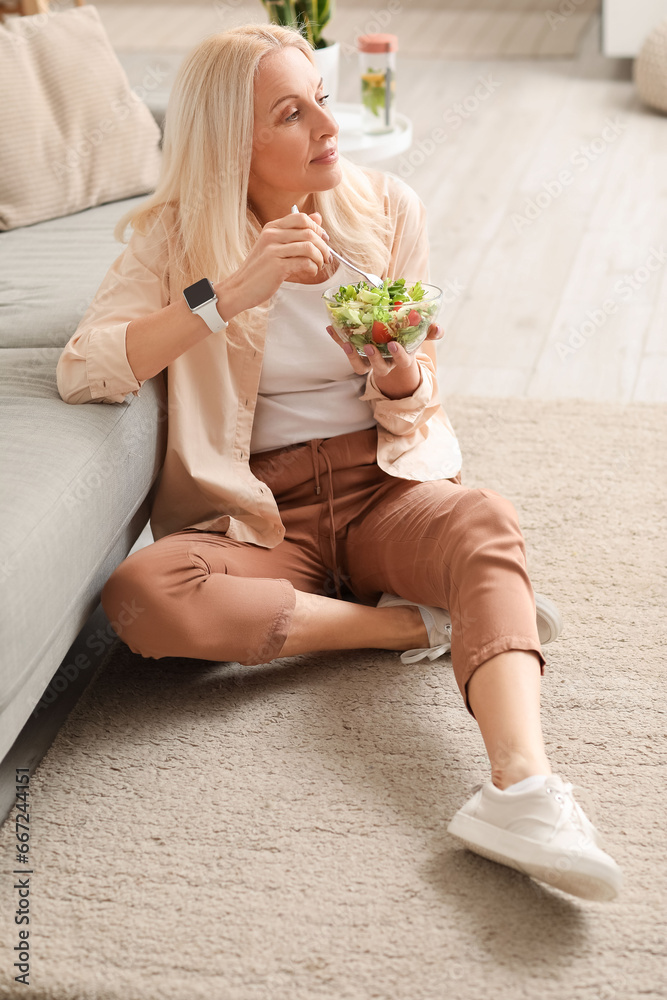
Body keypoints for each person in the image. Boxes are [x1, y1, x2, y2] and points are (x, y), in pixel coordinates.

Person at [56, 23, 622, 902]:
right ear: (228, 140)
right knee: (143, 597)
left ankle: (522, 791)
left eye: (320, 99)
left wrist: (396, 370)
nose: (327, 124)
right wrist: (230, 292)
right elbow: (86, 365)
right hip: (258, 514)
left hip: (380, 486)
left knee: (485, 518)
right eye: (291, 112)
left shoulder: (384, 208)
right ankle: (412, 626)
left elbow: (418, 391)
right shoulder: (175, 240)